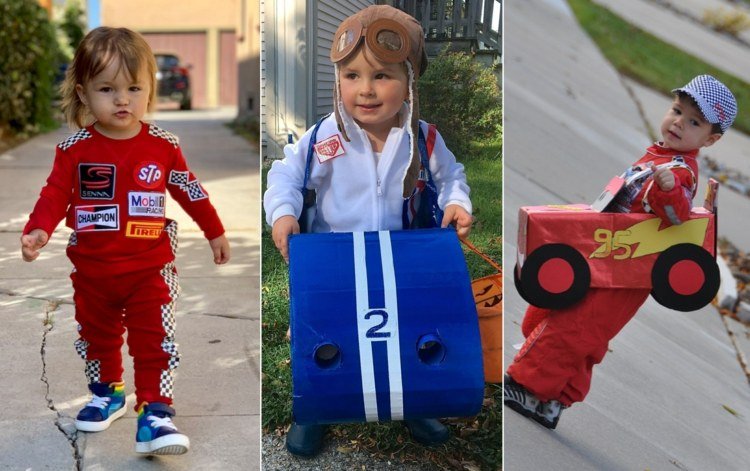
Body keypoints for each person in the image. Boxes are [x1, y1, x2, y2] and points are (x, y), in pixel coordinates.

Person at [263, 5, 473, 457]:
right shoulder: (324, 137)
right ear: (338, 79)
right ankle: (315, 410)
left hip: (401, 258)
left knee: (407, 327)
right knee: (324, 337)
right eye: (352, 75)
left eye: (382, 76)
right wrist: (283, 212)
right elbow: (283, 174)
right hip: (333, 261)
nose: (366, 90)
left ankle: (413, 401)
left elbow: (451, 175)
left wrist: (457, 201)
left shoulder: (424, 138)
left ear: (410, 82)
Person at [20, 27, 230, 455]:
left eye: (134, 88)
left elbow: (189, 190)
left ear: (150, 89)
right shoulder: (74, 149)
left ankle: (155, 413)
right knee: (97, 338)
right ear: (83, 93)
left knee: (155, 339)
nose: (122, 99)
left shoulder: (163, 146)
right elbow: (55, 194)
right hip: (93, 273)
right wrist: (39, 227)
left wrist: (215, 230)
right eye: (107, 88)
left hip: (149, 268)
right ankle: (108, 393)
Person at [504, 75, 737, 429]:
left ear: (711, 139)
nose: (679, 122)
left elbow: (675, 214)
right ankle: (554, 398)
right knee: (574, 325)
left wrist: (668, 189)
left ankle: (527, 386)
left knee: (575, 327)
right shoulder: (660, 152)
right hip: (606, 252)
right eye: (677, 110)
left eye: (694, 122)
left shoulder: (681, 171)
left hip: (626, 269)